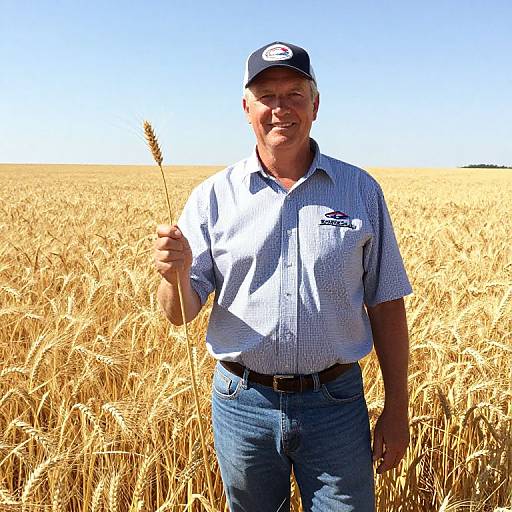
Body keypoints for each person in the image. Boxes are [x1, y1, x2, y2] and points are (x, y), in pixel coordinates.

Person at [154, 41, 412, 512]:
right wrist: (176, 273)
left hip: (335, 401)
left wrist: (397, 407)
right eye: (267, 96)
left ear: (316, 104)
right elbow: (180, 314)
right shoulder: (213, 197)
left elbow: (386, 302)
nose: (280, 108)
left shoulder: (360, 190)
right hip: (241, 403)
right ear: (246, 107)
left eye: (294, 93)